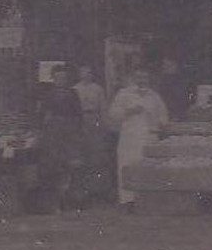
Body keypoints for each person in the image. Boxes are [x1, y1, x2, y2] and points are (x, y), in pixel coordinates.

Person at [107, 68, 169, 207]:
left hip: (149, 137)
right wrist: (129, 111)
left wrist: (159, 123)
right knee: (128, 166)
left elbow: (163, 115)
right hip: (130, 138)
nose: (142, 80)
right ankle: (128, 200)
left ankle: (147, 200)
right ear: (134, 78)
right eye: (139, 77)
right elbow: (113, 114)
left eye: (145, 77)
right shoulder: (124, 94)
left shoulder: (154, 96)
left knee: (149, 167)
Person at [35, 64, 84, 213]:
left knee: (72, 167)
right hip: (53, 134)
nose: (61, 80)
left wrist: (77, 133)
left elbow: (79, 115)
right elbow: (42, 115)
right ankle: (54, 203)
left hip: (70, 134)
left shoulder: (73, 93)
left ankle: (71, 202)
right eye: (58, 78)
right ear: (53, 79)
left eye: (64, 78)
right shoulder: (47, 94)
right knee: (53, 168)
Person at [72, 65, 109, 203]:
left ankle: (98, 191)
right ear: (79, 75)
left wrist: (104, 126)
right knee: (83, 156)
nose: (86, 75)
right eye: (83, 73)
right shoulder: (75, 89)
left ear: (92, 75)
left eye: (89, 73)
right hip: (81, 120)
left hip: (95, 119)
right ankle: (83, 192)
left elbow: (103, 108)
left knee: (97, 156)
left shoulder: (98, 89)